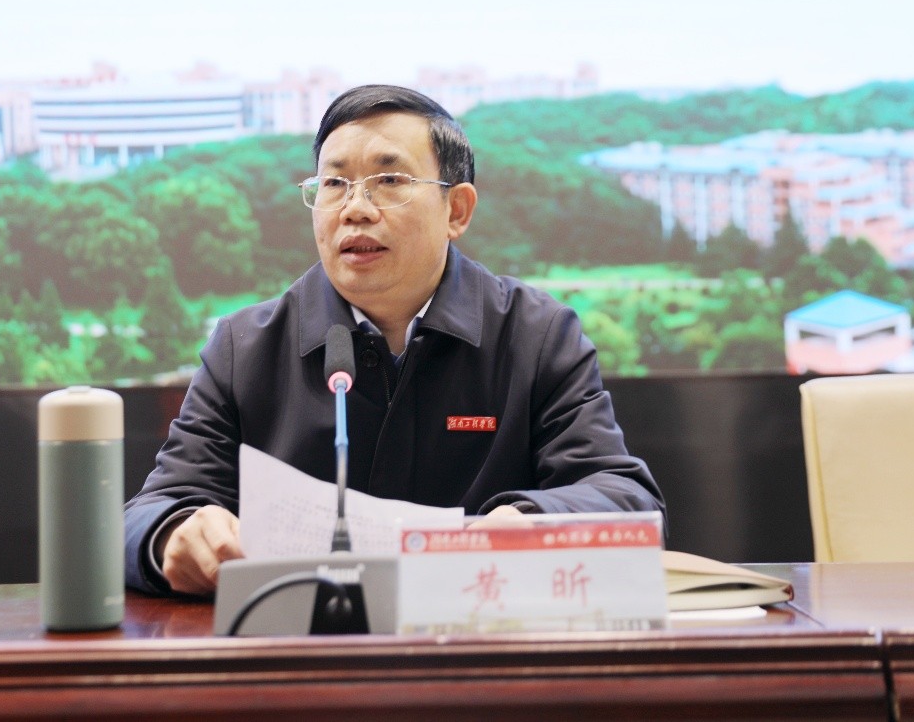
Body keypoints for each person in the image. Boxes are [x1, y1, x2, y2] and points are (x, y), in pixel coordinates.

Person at [124, 85, 664, 596]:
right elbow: (147, 514)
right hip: (302, 640)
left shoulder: (536, 335)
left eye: (388, 180)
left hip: (473, 638)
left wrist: (528, 523)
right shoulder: (245, 347)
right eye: (334, 184)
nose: (355, 209)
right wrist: (175, 533)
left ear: (457, 210)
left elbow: (626, 499)